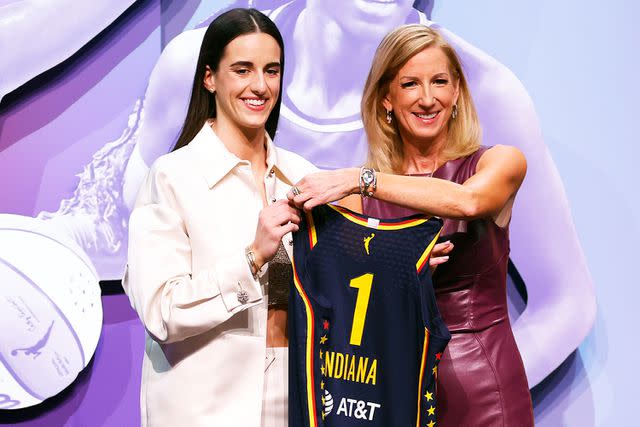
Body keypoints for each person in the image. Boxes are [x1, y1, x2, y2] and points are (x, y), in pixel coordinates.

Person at [287, 25, 535, 425]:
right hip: (393, 386)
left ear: (456, 93)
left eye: (440, 82)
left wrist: (362, 178)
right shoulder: (358, 201)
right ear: (386, 97)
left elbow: (467, 202)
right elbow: (343, 300)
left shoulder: (499, 163)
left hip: (478, 384)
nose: (427, 98)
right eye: (410, 84)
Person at [122, 9, 317, 426]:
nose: (260, 86)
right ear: (209, 77)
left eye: (271, 71)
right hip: (205, 407)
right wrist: (252, 258)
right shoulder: (172, 177)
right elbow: (162, 310)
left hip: (297, 396)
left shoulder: (304, 177)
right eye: (242, 70)